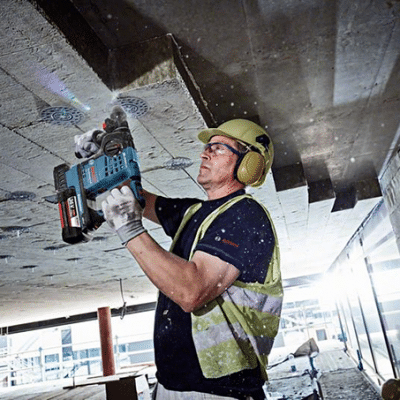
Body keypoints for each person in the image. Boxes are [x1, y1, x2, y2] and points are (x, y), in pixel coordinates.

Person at [77, 119, 283, 399]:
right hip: (172, 385)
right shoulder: (195, 212)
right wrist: (105, 159)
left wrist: (130, 230)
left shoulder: (246, 216)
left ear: (249, 164)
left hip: (220, 391)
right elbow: (135, 196)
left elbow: (191, 292)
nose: (204, 154)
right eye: (207, 147)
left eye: (218, 148)